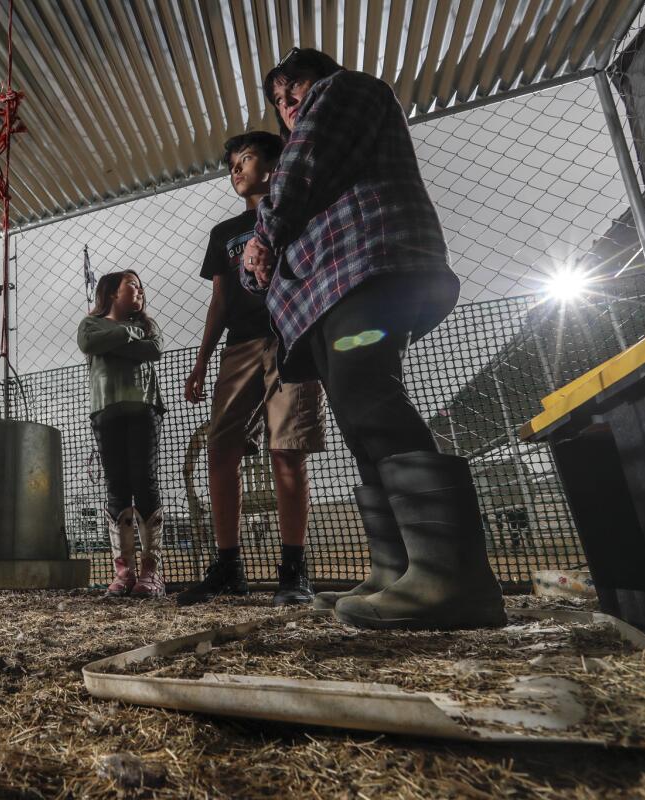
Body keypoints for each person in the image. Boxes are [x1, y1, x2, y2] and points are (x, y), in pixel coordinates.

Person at [241, 49, 504, 630]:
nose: (289, 106)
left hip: (367, 265)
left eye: (295, 88)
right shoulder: (294, 183)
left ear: (320, 78)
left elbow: (300, 166)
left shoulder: (346, 92)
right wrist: (260, 250)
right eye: (280, 101)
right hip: (327, 296)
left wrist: (264, 237)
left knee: (367, 393)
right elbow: (261, 260)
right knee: (358, 417)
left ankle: (453, 577)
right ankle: (400, 568)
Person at [177, 132, 326, 608]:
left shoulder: (301, 214)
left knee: (287, 450)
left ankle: (293, 570)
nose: (236, 170)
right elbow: (219, 300)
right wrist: (202, 358)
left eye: (245, 160)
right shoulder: (224, 233)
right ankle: (227, 566)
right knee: (222, 450)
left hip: (291, 338)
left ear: (273, 165)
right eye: (231, 166)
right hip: (239, 348)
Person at [77, 271, 166, 598]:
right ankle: (124, 572)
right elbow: (90, 342)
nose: (140, 291)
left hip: (144, 409)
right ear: (112, 292)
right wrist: (129, 336)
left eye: (141, 287)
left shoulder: (147, 326)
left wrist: (115, 339)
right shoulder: (90, 324)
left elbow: (153, 350)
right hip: (106, 411)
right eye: (133, 286)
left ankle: (150, 572)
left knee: (144, 481)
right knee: (116, 486)